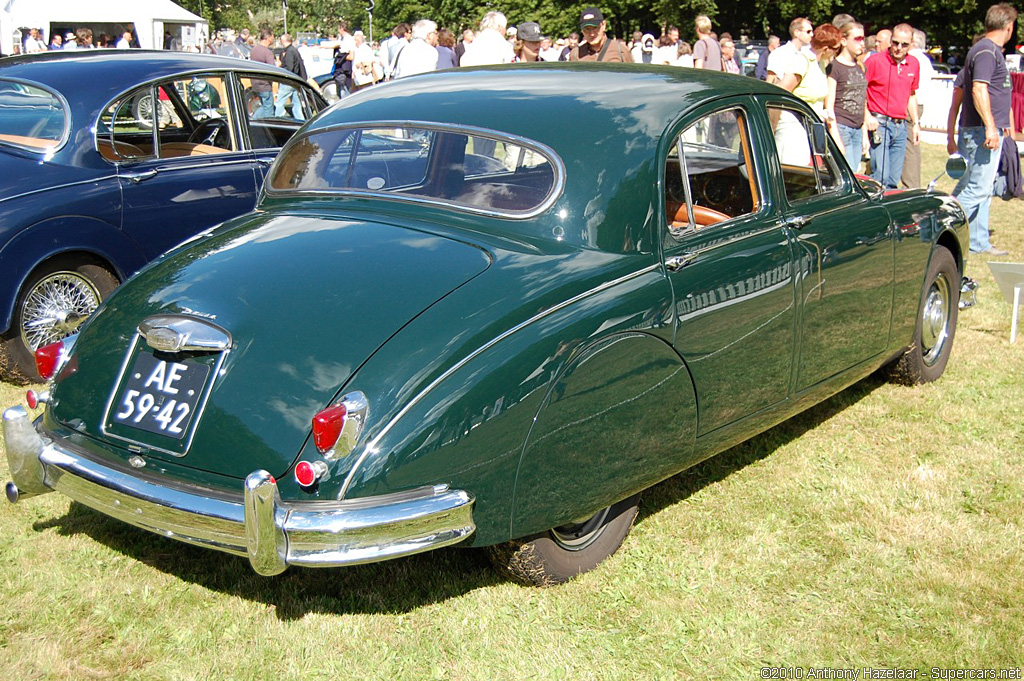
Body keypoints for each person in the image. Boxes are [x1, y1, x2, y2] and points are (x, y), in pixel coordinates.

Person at [946, 3, 1017, 256]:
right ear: (1009, 26)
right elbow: (978, 89)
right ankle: (943, 225)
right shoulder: (987, 51)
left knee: (977, 187)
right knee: (977, 188)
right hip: (981, 132)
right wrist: (990, 127)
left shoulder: (985, 50)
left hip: (978, 130)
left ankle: (977, 243)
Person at [864, 24, 920, 188]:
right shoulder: (875, 61)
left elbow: (911, 94)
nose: (898, 48)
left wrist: (916, 123)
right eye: (895, 43)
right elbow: (859, 90)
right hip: (880, 124)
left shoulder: (914, 64)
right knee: (881, 175)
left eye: (904, 44)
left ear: (911, 44)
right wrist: (867, 116)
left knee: (893, 179)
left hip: (900, 126)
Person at [826, 22, 868, 170]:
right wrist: (836, 136)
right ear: (844, 41)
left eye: (863, 38)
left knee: (855, 171)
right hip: (842, 126)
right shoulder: (834, 67)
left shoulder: (860, 66)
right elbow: (829, 106)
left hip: (857, 127)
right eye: (857, 39)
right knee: (847, 171)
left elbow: (862, 100)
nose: (862, 43)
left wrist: (864, 134)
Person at [901, 29, 936, 188]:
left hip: (910, 104)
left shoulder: (913, 58)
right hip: (917, 104)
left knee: (910, 147)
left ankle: (911, 185)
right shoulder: (926, 59)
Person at [767, 18, 813, 86]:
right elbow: (770, 81)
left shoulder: (810, 54)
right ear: (796, 32)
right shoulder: (779, 54)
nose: (812, 34)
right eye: (808, 31)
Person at [275, 34, 307, 119]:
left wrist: (280, 67)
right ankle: (301, 121)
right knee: (297, 105)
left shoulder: (289, 52)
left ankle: (278, 119)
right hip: (295, 81)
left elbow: (289, 67)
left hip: (287, 82)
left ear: (283, 41)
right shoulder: (294, 50)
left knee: (279, 103)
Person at [249, 29, 276, 119]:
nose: (274, 39)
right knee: (269, 111)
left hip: (255, 83)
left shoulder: (254, 50)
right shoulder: (267, 52)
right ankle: (269, 128)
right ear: (268, 38)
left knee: (264, 107)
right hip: (265, 85)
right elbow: (272, 69)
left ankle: (253, 121)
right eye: (273, 37)